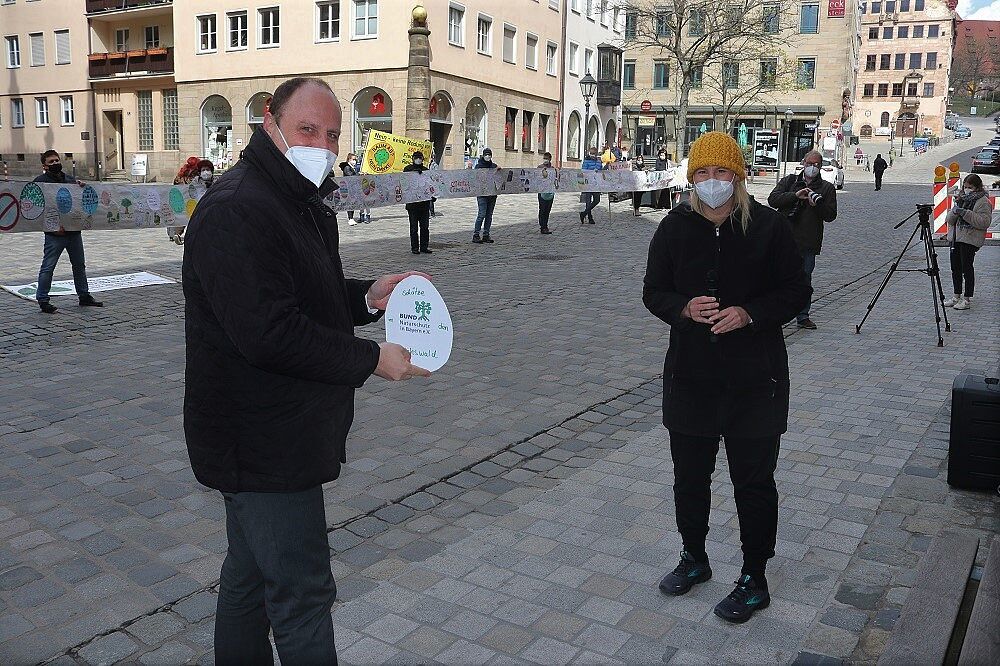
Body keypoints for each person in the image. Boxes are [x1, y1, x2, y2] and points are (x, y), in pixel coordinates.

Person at [182, 77, 431, 664]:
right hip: (260, 443)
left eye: (333, 134)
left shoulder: (295, 198)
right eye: (307, 130)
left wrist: (365, 297)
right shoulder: (239, 208)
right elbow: (269, 333)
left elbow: (303, 299)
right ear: (271, 124)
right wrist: (373, 359)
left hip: (281, 434)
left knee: (248, 581)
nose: (322, 143)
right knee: (302, 596)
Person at [643, 131, 810, 624]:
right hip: (691, 377)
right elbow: (653, 292)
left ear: (737, 178)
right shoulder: (673, 228)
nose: (711, 182)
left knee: (753, 482)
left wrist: (751, 313)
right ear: (690, 178)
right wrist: (682, 307)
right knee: (689, 478)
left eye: (721, 173)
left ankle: (754, 577)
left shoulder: (769, 227)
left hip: (755, 381)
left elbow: (797, 291)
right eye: (702, 173)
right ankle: (694, 557)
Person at [767, 150, 836, 330]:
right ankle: (778, 313)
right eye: (809, 163)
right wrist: (794, 196)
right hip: (783, 239)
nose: (812, 167)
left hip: (807, 241)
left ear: (820, 167)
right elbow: (772, 200)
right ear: (803, 163)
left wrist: (817, 206)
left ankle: (803, 315)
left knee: (804, 280)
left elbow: (830, 215)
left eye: (816, 165)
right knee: (777, 277)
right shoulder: (790, 181)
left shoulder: (827, 188)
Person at [33, 150, 102, 314]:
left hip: (73, 233)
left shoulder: (70, 181)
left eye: (57, 160)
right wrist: (52, 227)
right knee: (48, 267)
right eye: (51, 162)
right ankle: (43, 299)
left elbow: (78, 201)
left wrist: (82, 189)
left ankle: (84, 296)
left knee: (79, 265)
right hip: (54, 235)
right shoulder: (39, 182)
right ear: (44, 166)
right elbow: (36, 210)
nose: (55, 163)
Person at [943, 173, 993, 310]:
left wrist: (965, 213)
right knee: (955, 268)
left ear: (977, 187)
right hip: (956, 238)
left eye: (969, 187)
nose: (966, 189)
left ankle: (966, 299)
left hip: (970, 238)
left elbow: (984, 222)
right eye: (965, 187)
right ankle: (956, 296)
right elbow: (950, 220)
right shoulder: (962, 198)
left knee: (967, 268)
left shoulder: (983, 201)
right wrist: (956, 209)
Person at [168, 158, 214, 244]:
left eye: (207, 170)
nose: (206, 172)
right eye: (203, 170)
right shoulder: (194, 181)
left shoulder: (216, 183)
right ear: (199, 172)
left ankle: (177, 233)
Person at [403, 150, 432, 254]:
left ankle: (424, 246)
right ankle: (414, 247)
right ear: (413, 159)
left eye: (420, 158)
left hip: (424, 205)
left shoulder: (426, 170)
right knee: (414, 228)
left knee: (425, 228)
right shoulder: (407, 169)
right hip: (412, 205)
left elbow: (430, 185)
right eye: (416, 158)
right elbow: (404, 183)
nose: (418, 160)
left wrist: (432, 196)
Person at [472, 147, 500, 243]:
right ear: (483, 156)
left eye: (489, 155)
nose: (488, 156)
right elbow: (474, 178)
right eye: (486, 154)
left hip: (492, 195)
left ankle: (486, 234)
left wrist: (499, 171)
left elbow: (499, 178)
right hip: (482, 194)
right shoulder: (478, 167)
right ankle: (476, 234)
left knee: (489, 215)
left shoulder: (493, 166)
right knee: (481, 214)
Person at [580, 146, 603, 224]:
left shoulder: (599, 161)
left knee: (597, 200)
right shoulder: (586, 161)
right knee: (588, 202)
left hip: (596, 184)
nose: (592, 155)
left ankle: (583, 213)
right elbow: (583, 171)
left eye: (594, 153)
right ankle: (590, 218)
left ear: (596, 154)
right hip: (588, 183)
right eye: (591, 153)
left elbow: (601, 170)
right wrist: (591, 172)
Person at [339, 153, 361, 226]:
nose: (355, 161)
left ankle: (352, 218)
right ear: (349, 159)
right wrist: (358, 175)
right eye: (353, 159)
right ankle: (350, 218)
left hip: (352, 187)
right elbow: (350, 175)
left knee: (353, 203)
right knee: (349, 203)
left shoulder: (352, 167)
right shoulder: (347, 167)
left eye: (355, 159)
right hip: (348, 188)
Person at [537, 151, 555, 234]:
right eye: (544, 158)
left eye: (547, 159)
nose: (545, 160)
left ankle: (545, 225)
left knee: (547, 210)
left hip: (550, 192)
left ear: (550, 159)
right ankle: (542, 226)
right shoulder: (540, 167)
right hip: (542, 192)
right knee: (542, 209)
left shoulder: (552, 169)